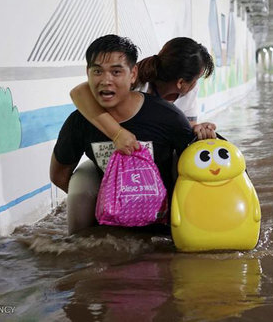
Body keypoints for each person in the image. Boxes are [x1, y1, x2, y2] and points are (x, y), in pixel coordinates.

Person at [50, 35, 196, 234]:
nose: (105, 80)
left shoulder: (167, 117)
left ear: (133, 74)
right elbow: (59, 175)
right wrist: (109, 201)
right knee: (80, 185)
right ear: (88, 73)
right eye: (97, 71)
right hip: (110, 222)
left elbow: (197, 164)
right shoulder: (79, 122)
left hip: (160, 222)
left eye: (116, 71)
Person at [70, 37, 217, 156]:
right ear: (180, 82)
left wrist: (199, 128)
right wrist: (117, 133)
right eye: (196, 79)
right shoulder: (135, 81)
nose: (107, 80)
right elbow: (79, 92)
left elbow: (185, 126)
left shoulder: (188, 92)